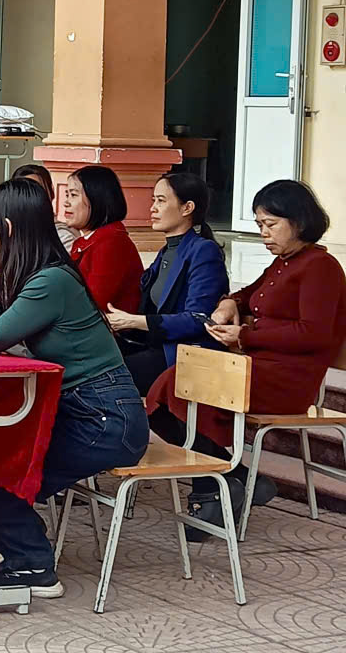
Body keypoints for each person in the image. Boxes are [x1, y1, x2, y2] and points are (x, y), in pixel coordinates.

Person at [0, 179, 147, 596]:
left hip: (104, 419)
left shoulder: (50, 282)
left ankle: (32, 564)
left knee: (0, 471)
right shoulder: (40, 275)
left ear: (8, 229)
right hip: (81, 410)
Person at [146, 180, 346, 538]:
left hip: (289, 378)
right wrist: (229, 303)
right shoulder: (283, 263)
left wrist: (245, 336)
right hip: (257, 366)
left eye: (271, 224)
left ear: (298, 221)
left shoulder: (321, 266)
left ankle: (216, 487)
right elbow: (248, 294)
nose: (263, 233)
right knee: (165, 389)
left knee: (180, 385)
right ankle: (228, 478)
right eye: (259, 225)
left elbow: (312, 333)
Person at [105, 172, 229, 394]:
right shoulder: (167, 251)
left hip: (182, 355)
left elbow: (198, 319)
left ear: (187, 208)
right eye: (153, 200)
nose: (152, 208)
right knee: (87, 361)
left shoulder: (203, 251)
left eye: (161, 201)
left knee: (102, 378)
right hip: (154, 347)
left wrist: (134, 321)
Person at [64, 165, 143, 313]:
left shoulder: (111, 242)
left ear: (97, 198)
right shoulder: (86, 240)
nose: (66, 202)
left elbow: (93, 303)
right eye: (67, 195)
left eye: (73, 195)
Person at [12, 163, 76, 251]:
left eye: (36, 190)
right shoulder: (7, 233)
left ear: (51, 192)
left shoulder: (63, 238)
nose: (30, 197)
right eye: (23, 191)